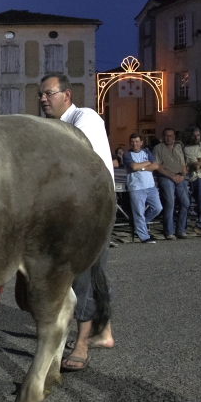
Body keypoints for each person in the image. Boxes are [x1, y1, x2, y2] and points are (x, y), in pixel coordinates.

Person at [38, 74, 115, 372]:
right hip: (72, 208)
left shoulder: (86, 118)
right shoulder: (52, 126)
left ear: (67, 95)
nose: (43, 99)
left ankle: (81, 343)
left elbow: (72, 156)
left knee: (84, 275)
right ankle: (103, 332)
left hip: (94, 207)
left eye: (49, 93)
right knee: (94, 274)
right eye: (40, 95)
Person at [122, 132, 163, 243]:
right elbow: (134, 166)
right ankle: (144, 237)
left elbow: (155, 165)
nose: (134, 144)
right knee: (139, 212)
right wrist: (146, 163)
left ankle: (139, 225)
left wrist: (143, 167)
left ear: (141, 142)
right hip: (136, 187)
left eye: (136, 142)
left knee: (157, 208)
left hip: (150, 186)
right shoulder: (127, 155)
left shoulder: (146, 151)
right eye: (132, 142)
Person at [153, 128, 189, 240]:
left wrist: (183, 175)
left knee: (186, 202)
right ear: (163, 137)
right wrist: (172, 176)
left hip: (179, 176)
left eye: (171, 136)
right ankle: (168, 232)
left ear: (174, 137)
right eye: (166, 136)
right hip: (166, 177)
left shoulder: (178, 147)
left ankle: (181, 230)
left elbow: (183, 163)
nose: (168, 138)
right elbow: (158, 166)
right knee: (170, 202)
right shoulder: (158, 148)